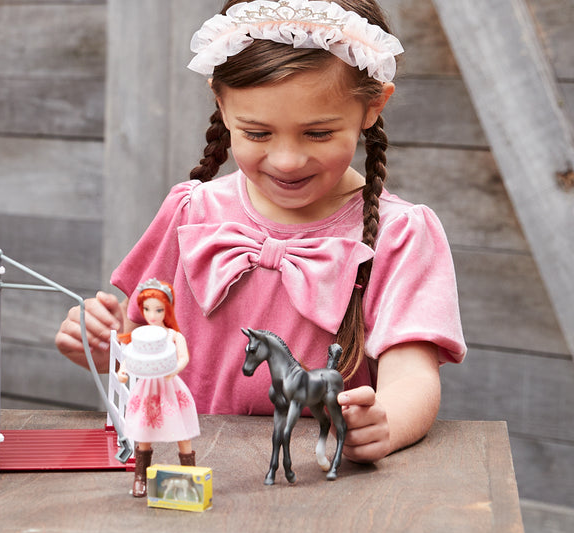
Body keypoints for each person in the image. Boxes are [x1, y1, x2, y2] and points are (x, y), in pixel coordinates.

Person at [55, 0, 465, 466]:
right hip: (183, 470)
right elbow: (140, 353)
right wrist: (107, 348)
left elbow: (412, 376)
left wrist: (385, 421)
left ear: (373, 106)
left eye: (318, 134)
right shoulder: (191, 212)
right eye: (257, 133)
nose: (286, 160)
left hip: (316, 487)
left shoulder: (400, 235)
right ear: (221, 105)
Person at [115, 279, 197, 497]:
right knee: (144, 432)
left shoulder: (173, 336)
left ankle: (189, 475)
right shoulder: (142, 335)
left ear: (167, 310)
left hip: (169, 386)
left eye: (158, 310)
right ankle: (140, 477)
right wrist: (123, 372)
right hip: (148, 388)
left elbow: (184, 357)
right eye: (147, 309)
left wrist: (174, 369)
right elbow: (130, 355)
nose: (152, 315)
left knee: (182, 431)